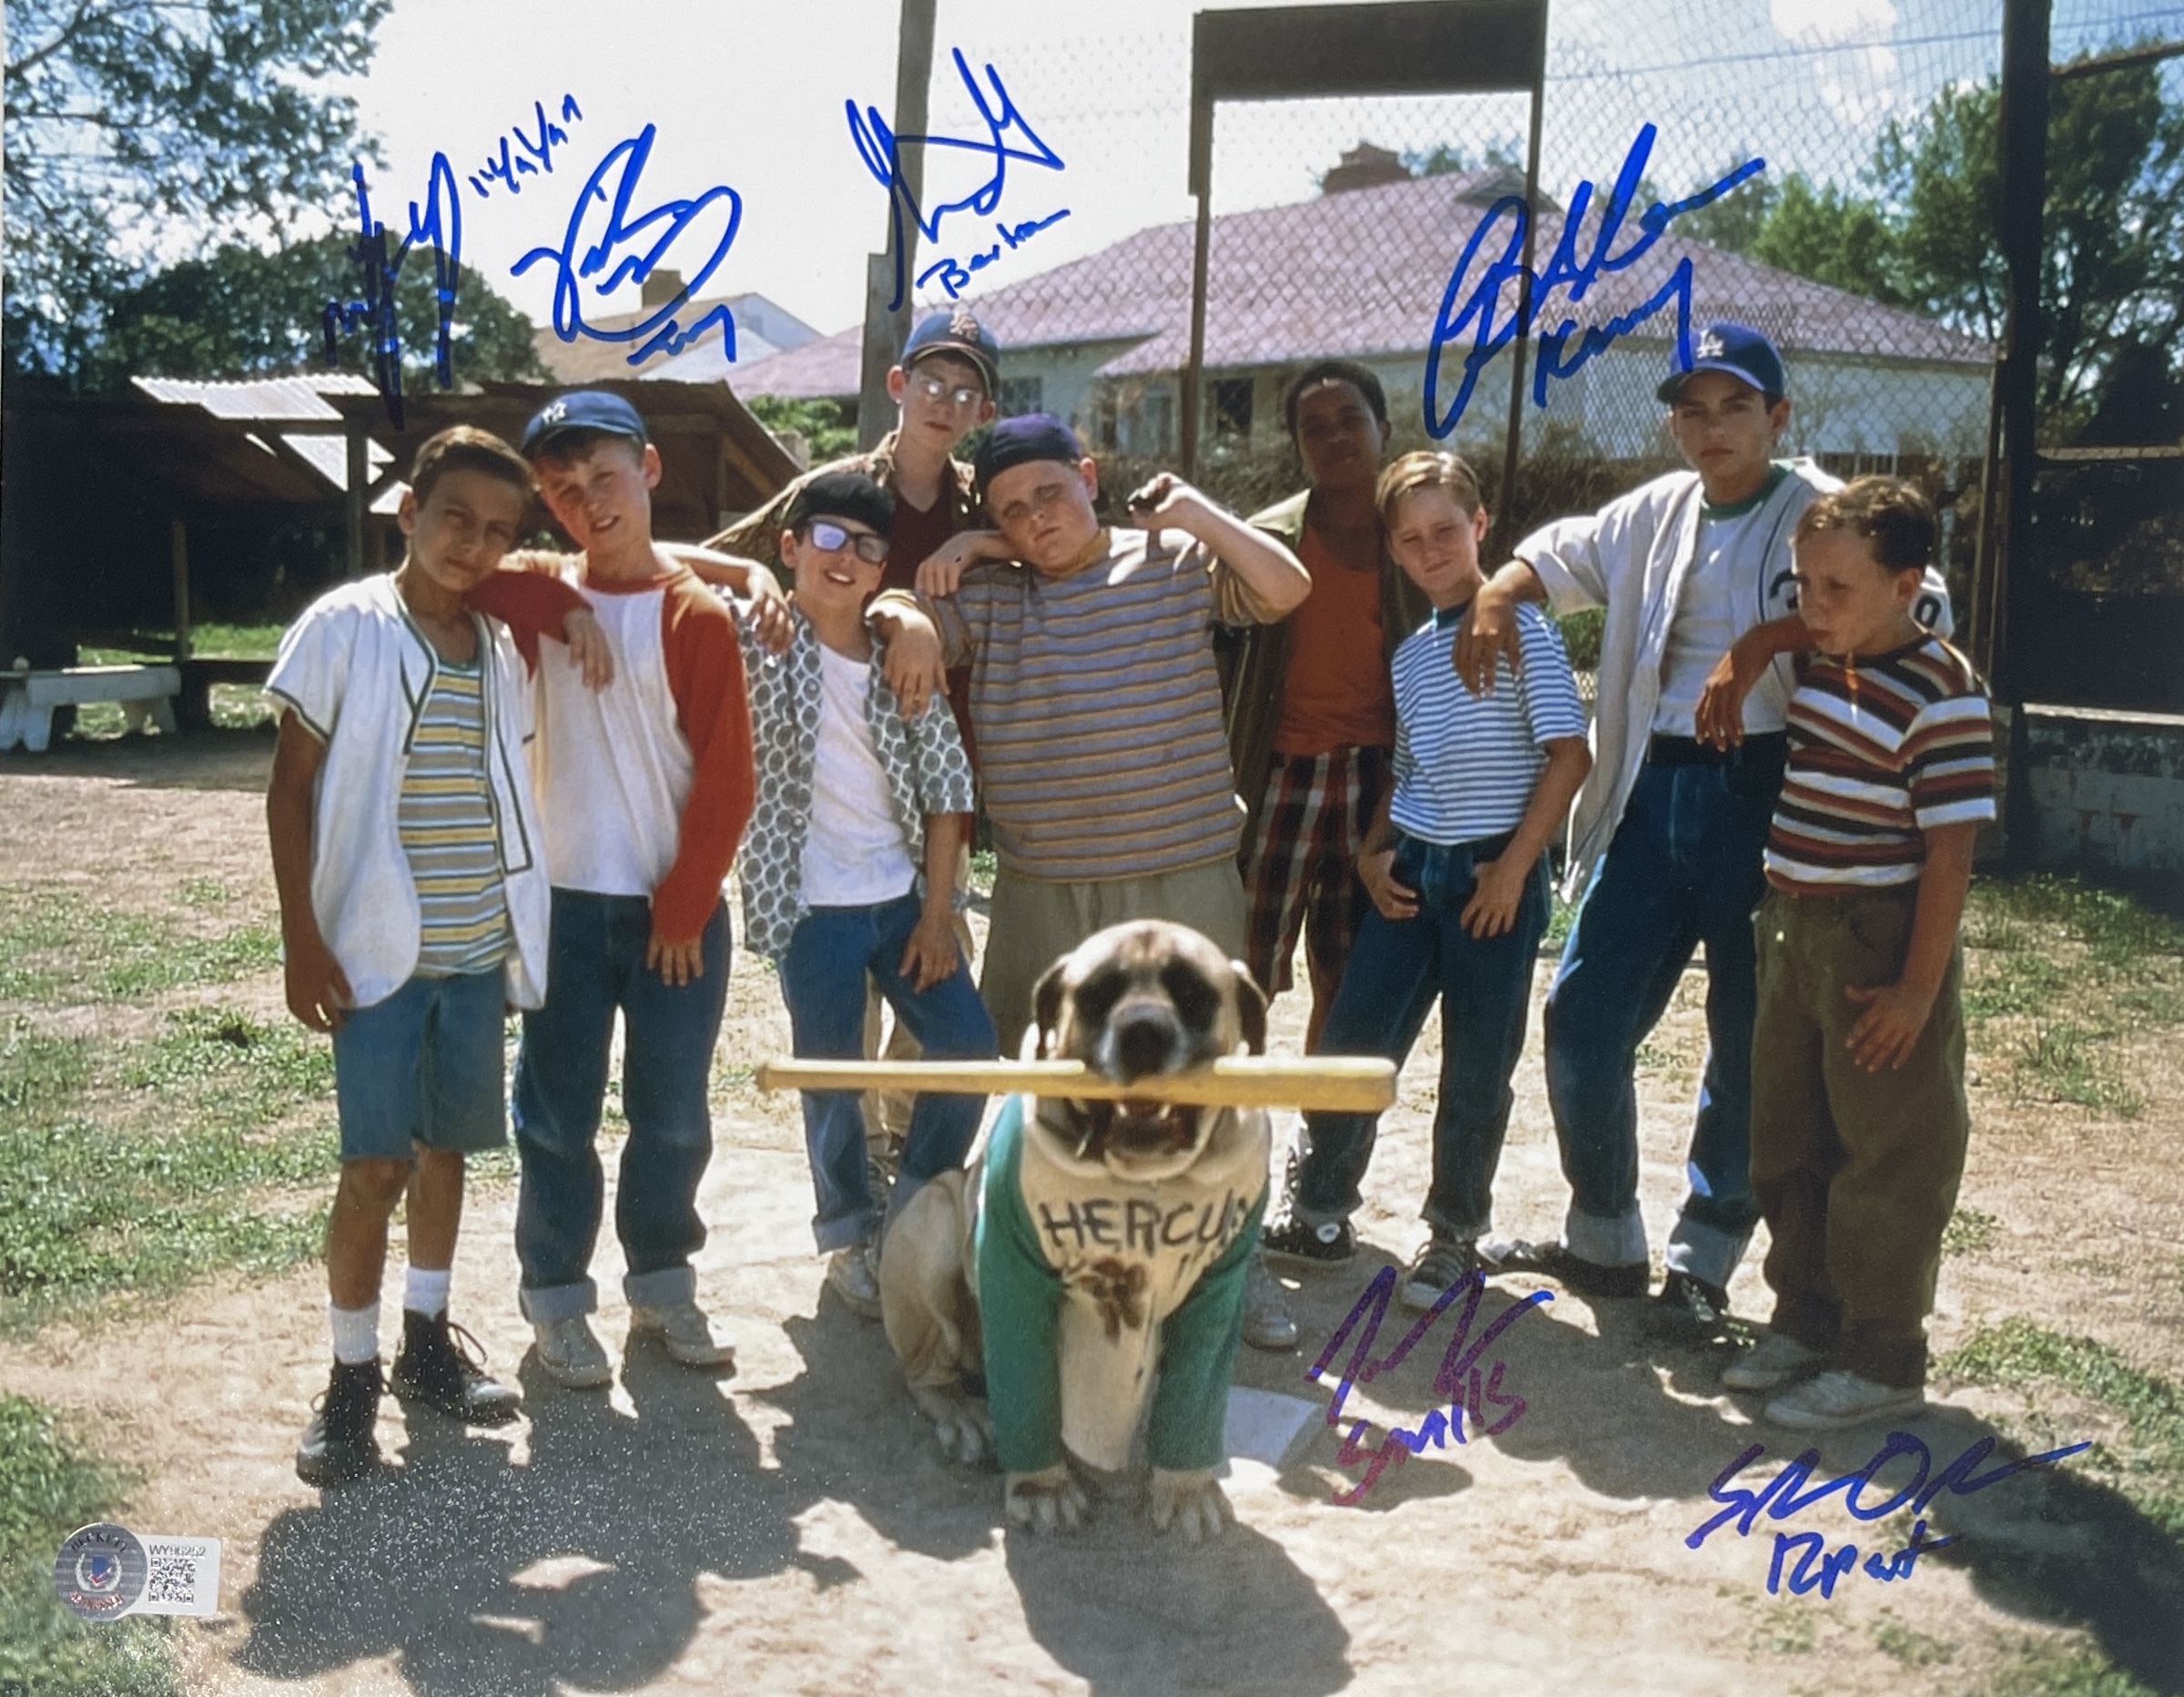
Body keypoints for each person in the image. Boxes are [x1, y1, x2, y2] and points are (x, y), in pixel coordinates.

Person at [1453, 322, 1955, 1336]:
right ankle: (1602, 1235)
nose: (1711, 427)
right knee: (1583, 1018)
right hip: (1652, 785)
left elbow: (1920, 609)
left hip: (1767, 789)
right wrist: (1498, 591)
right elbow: (1560, 550)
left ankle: (1702, 1259)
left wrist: (1770, 637)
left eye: (1736, 407)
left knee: (1744, 1037)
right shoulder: (1658, 508)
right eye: (1692, 407)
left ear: (1777, 416)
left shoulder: (1819, 509)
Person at [870, 413, 1312, 1348]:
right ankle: (996, 1246)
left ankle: (1234, 1268)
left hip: (1182, 870)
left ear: (1089, 474)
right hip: (1046, 881)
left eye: (1049, 494)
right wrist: (925, 591)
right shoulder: (991, 593)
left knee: (1207, 1074)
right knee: (1023, 1068)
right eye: (1010, 511)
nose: (1035, 521)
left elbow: (1283, 586)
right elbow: (893, 619)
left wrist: (1194, 511)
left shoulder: (1170, 563)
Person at [267, 425, 603, 1484]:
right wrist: (301, 939)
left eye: (499, 531)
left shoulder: (497, 650)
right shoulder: (345, 626)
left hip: (468, 951)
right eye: (454, 517)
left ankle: (424, 1345)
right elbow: (290, 788)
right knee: (375, 1165)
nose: (473, 544)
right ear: (407, 513)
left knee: (448, 1152)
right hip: (372, 956)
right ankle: (350, 1376)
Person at [1262, 452, 1590, 1310]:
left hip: (1490, 878)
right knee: (1353, 1047)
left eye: (1446, 529)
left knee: (1476, 1068)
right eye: (1410, 539)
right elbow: (1406, 769)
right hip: (1412, 873)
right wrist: (1373, 855)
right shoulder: (1411, 654)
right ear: (1394, 552)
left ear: (1480, 527)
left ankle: (1452, 1236)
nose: (1431, 548)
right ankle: (1322, 1210)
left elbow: (1569, 754)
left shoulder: (1524, 629)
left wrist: (1514, 873)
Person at [479, 390, 757, 1389]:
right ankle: (554, 1300)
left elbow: (727, 781)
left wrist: (684, 904)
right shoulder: (540, 590)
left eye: (603, 477)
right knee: (554, 1113)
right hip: (563, 899)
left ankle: (662, 1283)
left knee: (671, 1111)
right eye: (562, 489)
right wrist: (561, 601)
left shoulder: (696, 613)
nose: (586, 501)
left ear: (648, 470)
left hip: (669, 911)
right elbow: (458, 571)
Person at [1703, 478, 1992, 1428]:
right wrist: (1755, 645)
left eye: (1836, 588)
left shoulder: (1941, 694)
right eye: (1800, 588)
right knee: (1785, 1130)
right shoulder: (1833, 652)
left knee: (1886, 1143)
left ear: (1908, 584)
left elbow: (1948, 854)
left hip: (1877, 939)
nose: (1812, 609)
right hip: (1788, 928)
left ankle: (1880, 1352)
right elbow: (1806, 626)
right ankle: (1804, 1314)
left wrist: (1915, 992)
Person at [711, 305, 1001, 1158]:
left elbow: (1054, 546)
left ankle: (906, 1143)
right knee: (844, 983)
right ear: (897, 385)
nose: (945, 404)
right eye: (932, 383)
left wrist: (980, 543)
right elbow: (739, 550)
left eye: (967, 392)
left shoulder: (985, 499)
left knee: (935, 941)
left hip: (937, 760)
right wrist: (752, 583)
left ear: (982, 412)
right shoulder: (837, 488)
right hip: (835, 764)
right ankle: (861, 1163)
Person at [729, 470, 996, 1317]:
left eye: (867, 546)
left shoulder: (900, 656)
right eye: (828, 539)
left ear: (883, 568)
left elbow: (949, 790)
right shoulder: (754, 637)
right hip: (810, 909)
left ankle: (911, 1205)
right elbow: (653, 561)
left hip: (901, 899)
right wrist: (746, 578)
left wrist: (938, 911)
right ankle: (847, 1231)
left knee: (967, 1049)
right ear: (792, 546)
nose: (844, 559)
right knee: (831, 1078)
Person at [1225, 361, 1430, 1050]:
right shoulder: (1267, 542)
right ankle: (1231, 1137)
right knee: (1240, 973)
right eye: (1314, 428)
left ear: (1384, 429)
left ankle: (1318, 1147)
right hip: (1278, 777)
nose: (1335, 437)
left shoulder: (1416, 543)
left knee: (1348, 978)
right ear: (1296, 445)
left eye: (1350, 420)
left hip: (1379, 784)